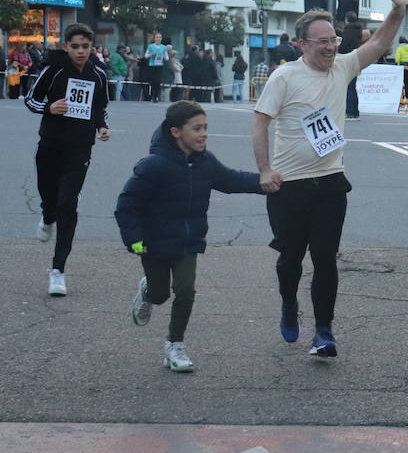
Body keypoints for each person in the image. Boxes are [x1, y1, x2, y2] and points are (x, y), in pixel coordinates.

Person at [251, 0, 406, 357]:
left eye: (334, 40)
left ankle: (324, 331)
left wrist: (399, 9)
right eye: (322, 42)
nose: (330, 47)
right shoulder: (284, 77)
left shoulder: (343, 67)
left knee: (324, 257)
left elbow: (383, 40)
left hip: (331, 182)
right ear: (301, 43)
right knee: (290, 259)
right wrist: (265, 170)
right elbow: (260, 123)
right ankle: (289, 304)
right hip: (289, 185)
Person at [115, 101, 271, 371]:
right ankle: (148, 292)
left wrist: (265, 182)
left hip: (188, 242)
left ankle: (174, 346)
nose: (204, 134)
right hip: (153, 244)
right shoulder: (153, 165)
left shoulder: (205, 162)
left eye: (206, 128)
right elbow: (127, 204)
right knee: (161, 293)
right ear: (176, 132)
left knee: (185, 290)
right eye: (197, 129)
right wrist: (134, 240)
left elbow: (231, 180)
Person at [23, 22, 112, 296]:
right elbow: (30, 99)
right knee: (50, 199)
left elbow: (100, 107)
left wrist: (102, 126)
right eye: (75, 46)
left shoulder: (98, 74)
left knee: (68, 205)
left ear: (92, 48)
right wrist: (49, 108)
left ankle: (58, 270)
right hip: (50, 145)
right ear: (66, 46)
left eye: (86, 47)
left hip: (80, 148)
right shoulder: (53, 69)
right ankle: (47, 216)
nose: (81, 52)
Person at [338, 12, 365, 120]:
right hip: (356, 59)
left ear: (347, 19)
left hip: (347, 59)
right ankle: (355, 111)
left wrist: (339, 49)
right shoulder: (359, 30)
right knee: (353, 87)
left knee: (348, 87)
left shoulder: (348, 30)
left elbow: (344, 46)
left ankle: (349, 111)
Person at [142, 32, 166, 102]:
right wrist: (151, 54)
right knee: (153, 81)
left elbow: (166, 57)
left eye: (160, 37)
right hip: (152, 65)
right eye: (157, 37)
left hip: (160, 65)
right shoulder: (150, 46)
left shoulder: (163, 47)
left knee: (158, 81)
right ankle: (152, 95)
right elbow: (146, 56)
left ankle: (156, 96)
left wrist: (164, 56)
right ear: (154, 38)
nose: (158, 39)